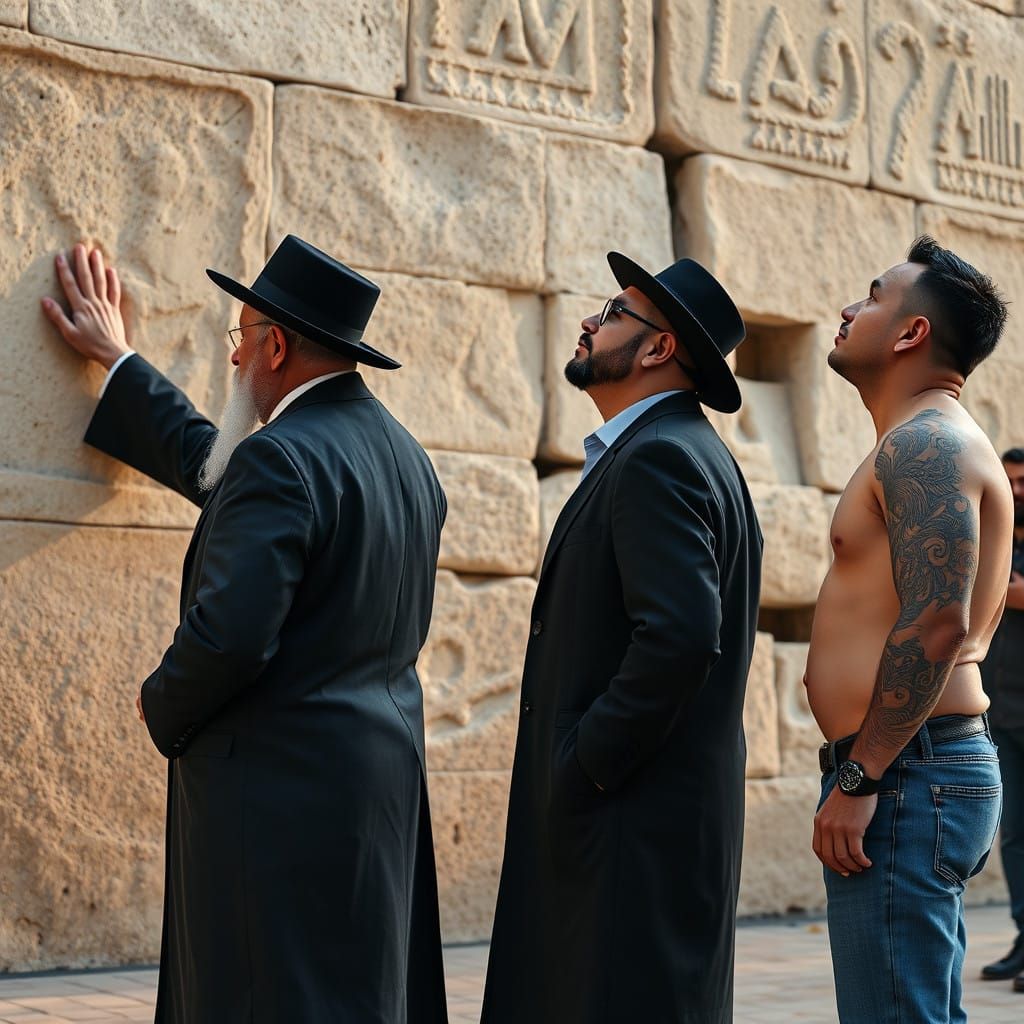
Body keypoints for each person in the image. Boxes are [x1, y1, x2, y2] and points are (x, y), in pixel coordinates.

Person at [40, 237, 449, 1024]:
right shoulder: (404, 460)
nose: (234, 362)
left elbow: (230, 637)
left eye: (240, 338)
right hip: (378, 795)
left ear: (276, 345)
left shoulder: (282, 461)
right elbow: (220, 472)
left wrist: (161, 701)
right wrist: (122, 362)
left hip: (277, 805)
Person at [480, 253, 763, 1024]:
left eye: (610, 313)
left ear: (658, 348)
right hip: (636, 827)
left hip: (628, 830)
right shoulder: (679, 453)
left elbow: (677, 639)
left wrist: (583, 763)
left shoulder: (660, 458)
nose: (587, 321)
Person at [807, 236, 1012, 1024]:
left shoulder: (927, 443)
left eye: (871, 296)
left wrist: (860, 778)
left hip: (904, 772)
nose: (849, 308)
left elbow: (934, 624)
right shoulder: (918, 440)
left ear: (910, 334)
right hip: (914, 768)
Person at [979, 447, 1024, 990]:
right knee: (1015, 835)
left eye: (1023, 480)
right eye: (1009, 480)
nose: (1015, 489)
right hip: (1003, 711)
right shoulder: (994, 539)